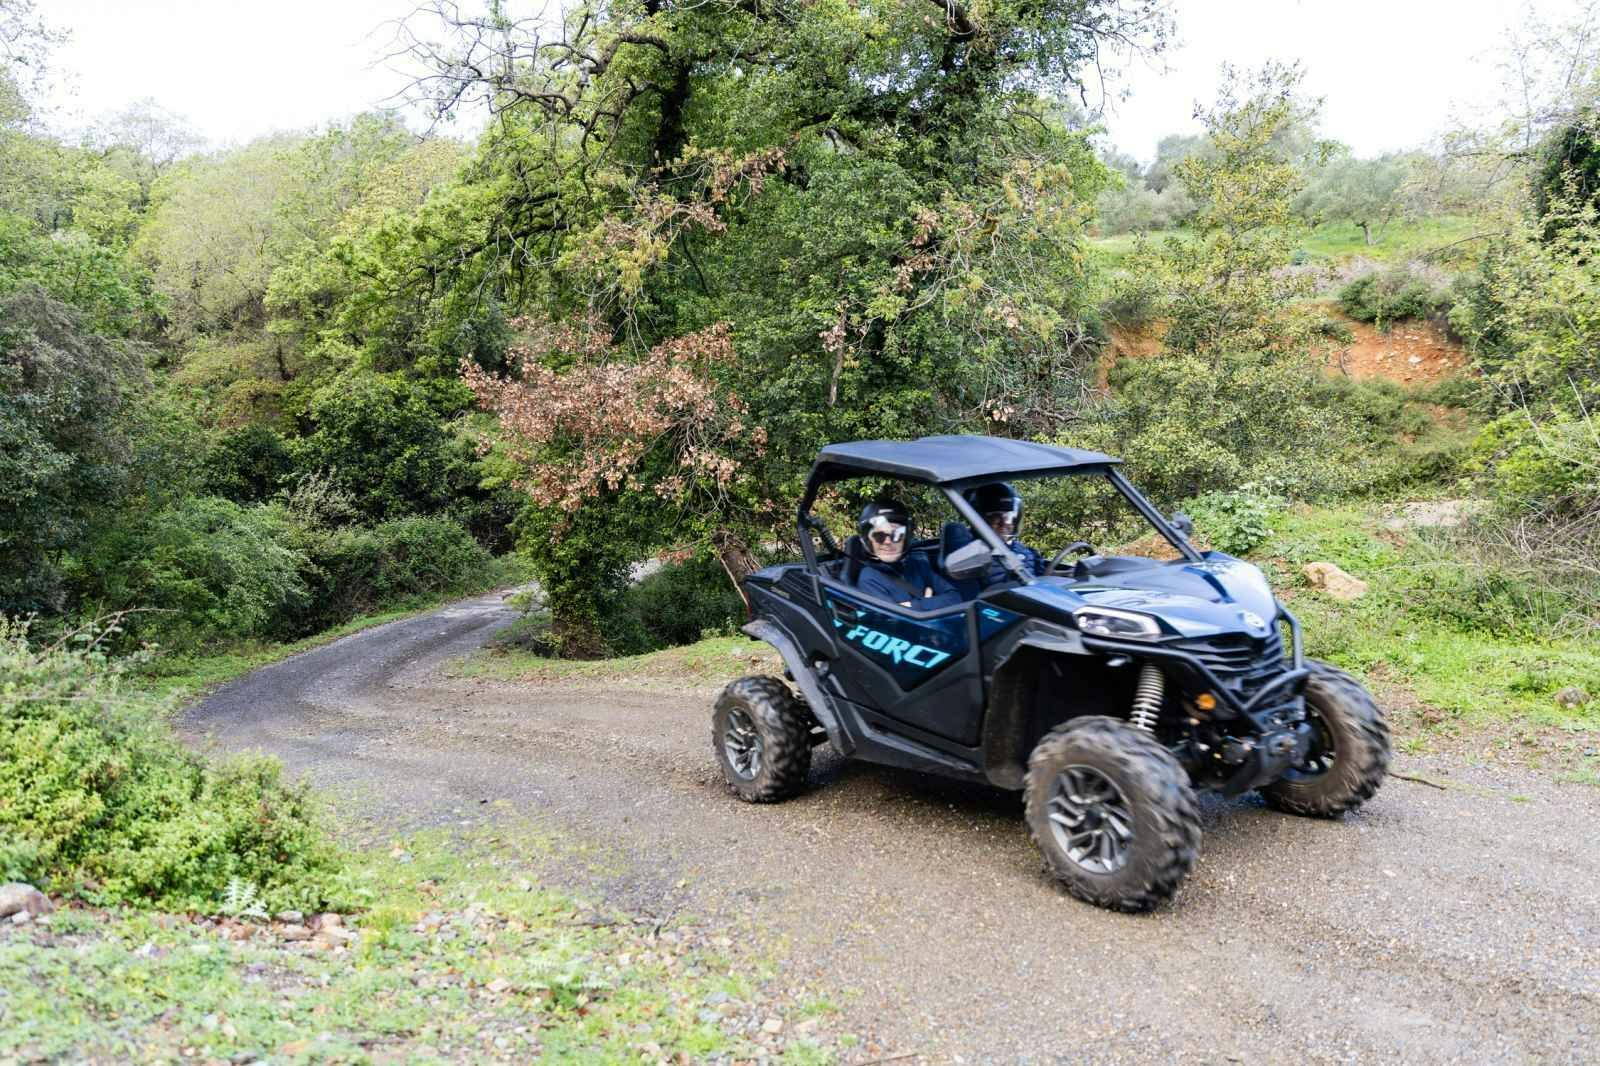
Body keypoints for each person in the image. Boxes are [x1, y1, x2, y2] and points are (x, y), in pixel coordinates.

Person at [853, 498, 963, 611]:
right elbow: (894, 620)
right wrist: (931, 602)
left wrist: (915, 605)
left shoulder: (917, 565)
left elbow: (955, 598)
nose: (887, 541)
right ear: (869, 541)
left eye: (896, 534)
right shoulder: (869, 579)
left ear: (906, 537)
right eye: (879, 536)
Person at [963, 481, 1047, 584]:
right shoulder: (966, 557)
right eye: (996, 516)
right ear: (979, 519)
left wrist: (1067, 574)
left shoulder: (1026, 552)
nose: (1005, 523)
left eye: (1009, 516)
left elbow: (1043, 579)